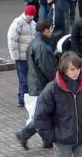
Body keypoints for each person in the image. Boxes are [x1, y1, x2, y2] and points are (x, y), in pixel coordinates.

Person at [16, 20, 57, 149]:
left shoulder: (35, 43)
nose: (51, 32)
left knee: (47, 113)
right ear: (46, 30)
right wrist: (57, 81)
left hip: (36, 83)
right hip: (42, 85)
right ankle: (26, 134)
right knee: (44, 114)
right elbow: (48, 68)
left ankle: (47, 139)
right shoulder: (41, 46)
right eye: (50, 29)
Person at [8, 5, 37, 108]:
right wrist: (15, 56)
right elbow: (12, 40)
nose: (31, 17)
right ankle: (21, 100)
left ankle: (27, 98)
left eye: (33, 15)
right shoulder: (18, 23)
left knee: (29, 79)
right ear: (26, 14)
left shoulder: (33, 24)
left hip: (30, 57)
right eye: (29, 15)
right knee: (23, 80)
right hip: (20, 57)